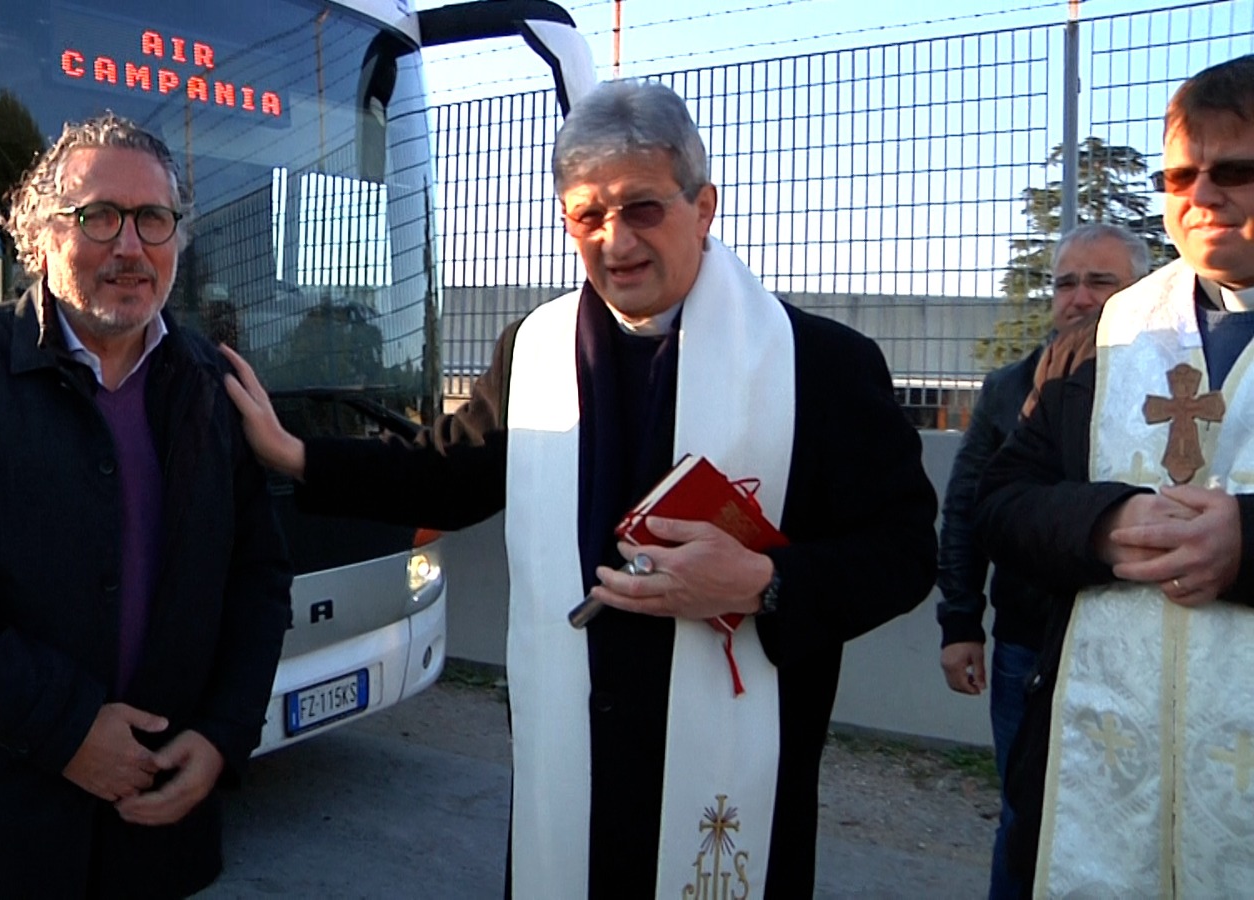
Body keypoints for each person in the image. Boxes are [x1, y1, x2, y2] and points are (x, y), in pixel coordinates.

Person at [222, 79, 937, 898]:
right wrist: (298, 456)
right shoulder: (536, 348)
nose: (614, 241)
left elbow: (905, 552)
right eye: (587, 216)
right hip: (576, 753)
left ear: (703, 208)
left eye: (642, 209)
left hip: (734, 760)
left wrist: (765, 583)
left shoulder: (820, 365)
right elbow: (451, 473)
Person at [0, 113, 293, 898]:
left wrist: (224, 734)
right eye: (98, 217)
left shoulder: (212, 385)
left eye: (153, 218)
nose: (130, 246)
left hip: (157, 842)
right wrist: (66, 730)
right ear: (41, 235)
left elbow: (257, 580)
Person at [975, 54, 1254, 896]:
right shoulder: (1103, 338)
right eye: (1180, 175)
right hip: (1103, 766)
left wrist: (1248, 541)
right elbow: (1001, 501)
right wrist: (1101, 525)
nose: (1202, 197)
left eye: (1235, 171)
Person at [935, 223, 1148, 899]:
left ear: (1143, 289)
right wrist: (960, 622)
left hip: (1134, 647)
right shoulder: (1009, 388)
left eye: (1101, 282)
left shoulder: (1171, 385)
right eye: (1065, 283)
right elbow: (967, 507)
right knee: (1027, 813)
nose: (1080, 298)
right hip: (1027, 646)